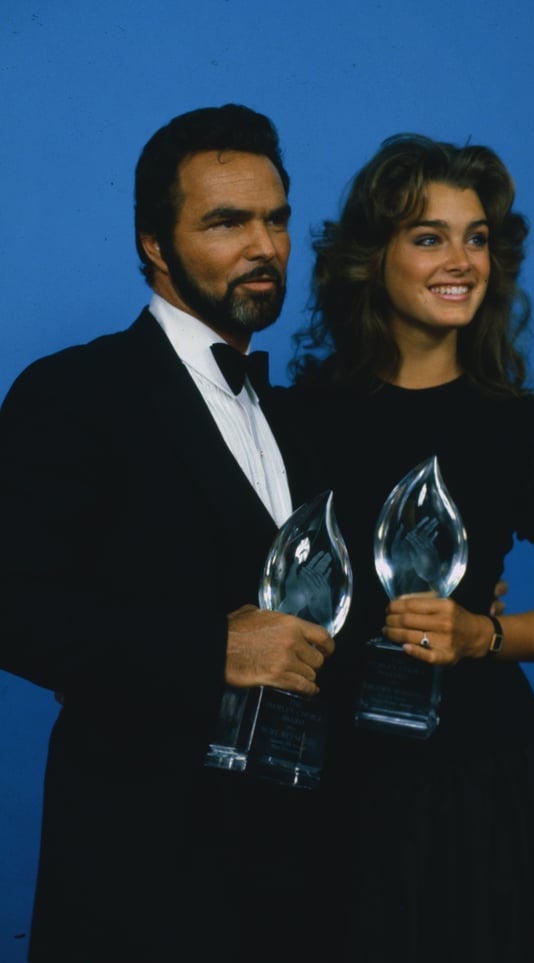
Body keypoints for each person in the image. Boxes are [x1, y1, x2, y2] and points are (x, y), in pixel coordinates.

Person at [290, 134, 534, 962]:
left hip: (485, 789)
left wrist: (484, 634)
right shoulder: (293, 420)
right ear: (372, 258)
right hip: (332, 785)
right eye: (429, 237)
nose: (461, 261)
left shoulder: (529, 431)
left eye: (476, 237)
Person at [0, 105, 338, 963]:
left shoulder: (296, 416)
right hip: (139, 871)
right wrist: (213, 647)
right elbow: (13, 608)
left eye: (275, 220)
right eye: (226, 223)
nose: (263, 246)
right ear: (154, 244)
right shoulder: (72, 392)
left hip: (297, 871)